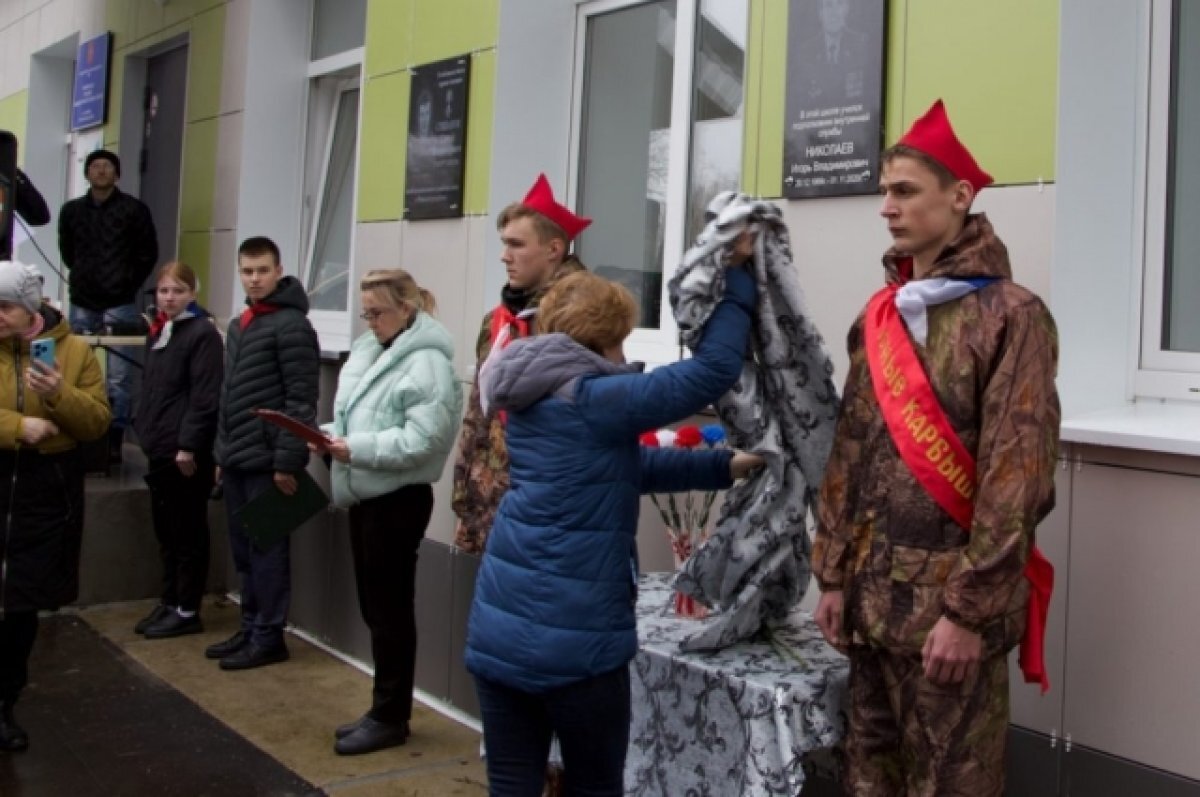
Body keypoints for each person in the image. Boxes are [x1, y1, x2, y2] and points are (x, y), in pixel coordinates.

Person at [811, 99, 1060, 796]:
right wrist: (830, 575)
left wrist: (967, 613)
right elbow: (847, 455)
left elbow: (1019, 482)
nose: (887, 207)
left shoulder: (1012, 316)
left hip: (946, 622)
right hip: (867, 608)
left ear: (960, 196)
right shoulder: (880, 315)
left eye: (905, 191)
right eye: (884, 192)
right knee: (868, 782)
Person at [465, 265, 763, 796]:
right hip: (578, 648)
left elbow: (622, 471)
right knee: (595, 786)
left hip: (499, 634)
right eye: (622, 342)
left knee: (511, 784)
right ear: (603, 339)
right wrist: (740, 279)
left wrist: (722, 466)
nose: (626, 355)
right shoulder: (595, 396)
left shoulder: (535, 387)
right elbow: (715, 370)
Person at [313, 270, 462, 756]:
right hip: (366, 493)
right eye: (365, 313)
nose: (370, 322)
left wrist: (352, 447)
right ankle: (383, 706)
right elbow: (359, 413)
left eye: (377, 312)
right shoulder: (372, 349)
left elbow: (426, 441)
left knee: (391, 609)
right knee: (376, 608)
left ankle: (391, 715)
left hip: (398, 499)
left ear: (408, 308)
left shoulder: (427, 363)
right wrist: (326, 434)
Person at [0, 260, 110, 752]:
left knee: (19, 607)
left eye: (3, 307)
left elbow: (97, 424)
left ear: (29, 311)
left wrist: (58, 395)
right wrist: (15, 427)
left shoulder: (75, 351)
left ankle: (4, 706)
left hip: (46, 491)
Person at [451, 173, 590, 555]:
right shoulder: (498, 320)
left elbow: (582, 418)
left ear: (553, 249)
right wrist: (466, 502)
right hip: (493, 501)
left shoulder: (581, 316)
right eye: (503, 244)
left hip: (545, 508)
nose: (503, 256)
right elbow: (478, 414)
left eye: (516, 244)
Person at [209, 236, 319, 671]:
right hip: (236, 458)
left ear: (278, 271)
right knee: (243, 552)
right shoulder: (241, 324)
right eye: (247, 271)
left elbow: (301, 399)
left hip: (269, 462)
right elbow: (228, 394)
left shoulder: (292, 326)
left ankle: (269, 636)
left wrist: (286, 461)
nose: (254, 279)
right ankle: (250, 626)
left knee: (267, 550)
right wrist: (221, 452)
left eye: (262, 271)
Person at [132, 262, 224, 640]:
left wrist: (188, 444)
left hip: (185, 453)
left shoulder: (202, 334)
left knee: (187, 530)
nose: (169, 298)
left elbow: (204, 397)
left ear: (193, 293)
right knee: (166, 531)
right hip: (160, 447)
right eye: (164, 291)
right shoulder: (158, 331)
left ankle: (188, 608)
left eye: (178, 291)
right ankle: (169, 599)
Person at [57, 149, 159, 461]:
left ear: (117, 173)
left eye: (108, 167)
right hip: (82, 300)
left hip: (121, 301)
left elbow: (147, 252)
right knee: (74, 366)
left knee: (119, 374)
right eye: (95, 166)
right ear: (87, 173)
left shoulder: (134, 210)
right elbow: (67, 251)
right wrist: (84, 277)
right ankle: (78, 432)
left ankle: (114, 439)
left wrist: (127, 283)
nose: (101, 172)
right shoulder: (72, 210)